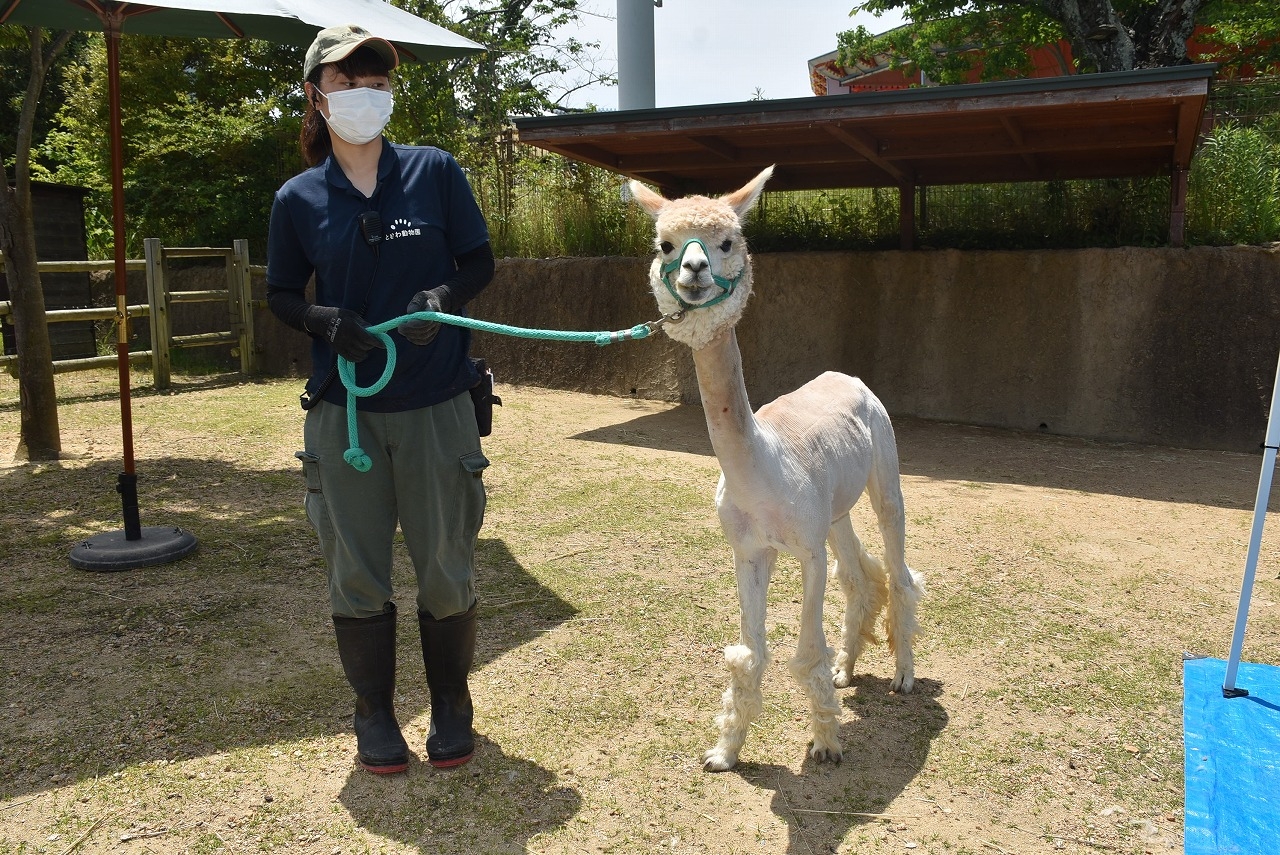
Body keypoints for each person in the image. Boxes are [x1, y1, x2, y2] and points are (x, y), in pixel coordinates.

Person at [265, 23, 495, 774]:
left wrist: (439, 295)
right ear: (315, 95)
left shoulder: (434, 172)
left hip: (437, 406)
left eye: (375, 84)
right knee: (356, 568)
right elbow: (279, 295)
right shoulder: (297, 198)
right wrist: (321, 318)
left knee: (444, 562)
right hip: (347, 411)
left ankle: (452, 704)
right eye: (345, 83)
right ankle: (374, 713)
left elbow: (478, 260)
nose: (363, 96)